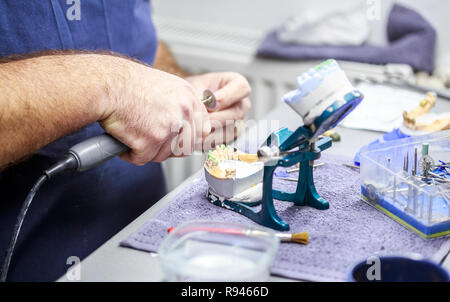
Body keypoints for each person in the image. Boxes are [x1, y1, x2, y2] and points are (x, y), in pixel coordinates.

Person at [0, 0, 251, 281]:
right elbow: (119, 81)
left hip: (150, 244)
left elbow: (138, 41)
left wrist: (183, 93)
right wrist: (112, 86)